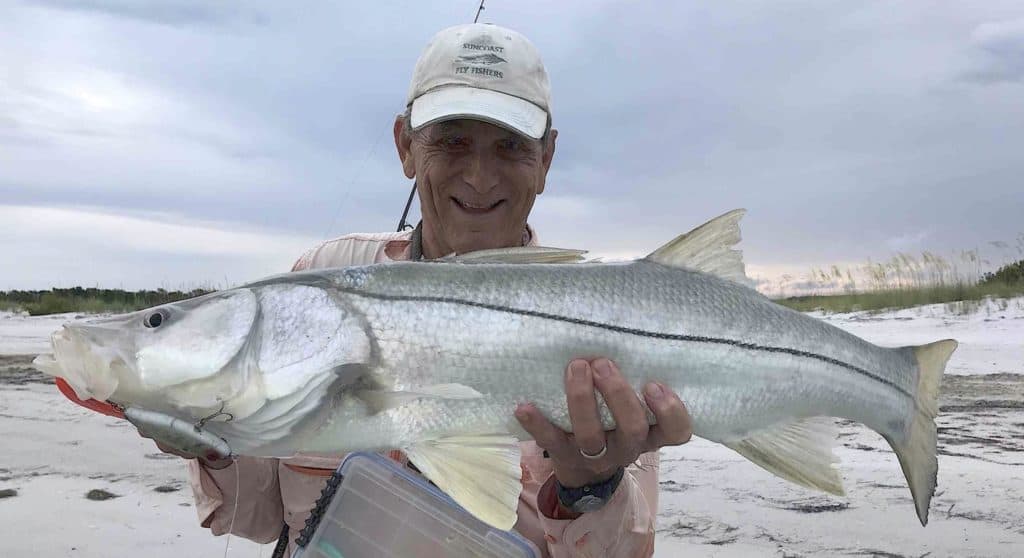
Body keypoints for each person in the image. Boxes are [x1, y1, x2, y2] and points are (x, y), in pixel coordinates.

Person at [149, 23, 693, 558]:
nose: (480, 177)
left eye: (509, 146)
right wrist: (210, 447)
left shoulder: (607, 323)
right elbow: (259, 515)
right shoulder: (316, 280)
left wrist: (587, 489)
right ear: (405, 146)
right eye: (453, 141)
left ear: (546, 159)